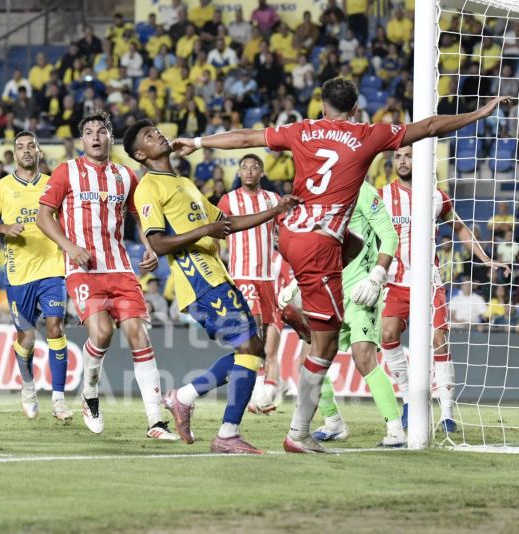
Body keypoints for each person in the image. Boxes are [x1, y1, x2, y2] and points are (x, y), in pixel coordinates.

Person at [172, 77, 509, 453]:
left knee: (349, 253)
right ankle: (299, 432)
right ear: (356, 109)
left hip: (291, 236)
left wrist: (197, 142)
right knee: (326, 344)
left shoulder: (302, 129)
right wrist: (479, 112)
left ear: (322, 106)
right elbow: (429, 126)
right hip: (319, 245)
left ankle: (307, 330)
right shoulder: (367, 134)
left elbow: (245, 137)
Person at [123, 119, 301, 453]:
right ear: (140, 154)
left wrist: (275, 209)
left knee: (252, 349)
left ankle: (184, 397)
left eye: (156, 130)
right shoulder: (148, 187)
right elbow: (158, 244)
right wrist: (205, 231)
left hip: (218, 276)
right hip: (198, 280)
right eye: (149, 135)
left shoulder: (184, 183)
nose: (158, 134)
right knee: (250, 348)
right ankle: (226, 433)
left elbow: (226, 223)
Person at [37, 112, 177, 440]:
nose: (95, 136)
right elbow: (44, 217)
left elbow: (141, 216)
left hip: (121, 269)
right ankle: (89, 394)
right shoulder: (66, 172)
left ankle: (156, 421)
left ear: (110, 137)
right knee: (101, 334)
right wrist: (70, 247)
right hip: (83, 270)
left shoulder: (126, 176)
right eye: (89, 132)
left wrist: (150, 246)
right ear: (82, 140)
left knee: (139, 336)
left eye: (101, 131)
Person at [378, 145, 507, 433]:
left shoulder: (436, 196)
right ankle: (408, 400)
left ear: (421, 159)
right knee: (387, 334)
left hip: (429, 281)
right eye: (398, 156)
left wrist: (484, 258)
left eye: (408, 155)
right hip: (396, 281)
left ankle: (447, 413)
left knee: (439, 340)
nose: (402, 161)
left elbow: (459, 227)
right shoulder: (383, 196)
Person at [290, 178, 405, 447]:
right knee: (307, 359)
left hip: (361, 290)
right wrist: (298, 283)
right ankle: (333, 423)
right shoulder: (318, 193)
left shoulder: (362, 191)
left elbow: (390, 236)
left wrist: (376, 276)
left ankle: (396, 430)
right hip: (329, 290)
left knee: (363, 358)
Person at [0, 131, 73, 421]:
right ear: (14, 153)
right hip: (19, 274)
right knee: (27, 337)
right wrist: (4, 228)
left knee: (55, 327)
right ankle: (28, 386)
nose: (26, 151)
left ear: (39, 151)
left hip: (52, 268)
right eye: (20, 147)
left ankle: (58, 400)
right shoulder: (1, 187)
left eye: (31, 146)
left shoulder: (53, 184)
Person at [216, 154, 285, 413]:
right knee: (253, 333)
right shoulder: (228, 200)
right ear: (238, 172)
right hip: (242, 275)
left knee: (262, 341)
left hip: (267, 278)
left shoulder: (273, 200)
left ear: (262, 172)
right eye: (244, 167)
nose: (248, 171)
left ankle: (251, 392)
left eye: (254, 168)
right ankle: (257, 394)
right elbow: (215, 234)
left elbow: (283, 232)